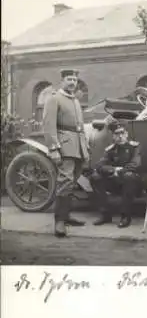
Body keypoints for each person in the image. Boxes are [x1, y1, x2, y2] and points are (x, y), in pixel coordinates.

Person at [43, 68, 89, 237]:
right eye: (69, 79)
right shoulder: (54, 98)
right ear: (62, 81)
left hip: (78, 146)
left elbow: (80, 127)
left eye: (75, 80)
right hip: (64, 145)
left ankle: (66, 216)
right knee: (65, 181)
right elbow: (48, 125)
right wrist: (54, 148)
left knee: (72, 181)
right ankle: (59, 222)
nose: (72, 82)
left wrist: (85, 147)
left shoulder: (75, 100)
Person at [89, 121, 143, 228]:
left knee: (129, 176)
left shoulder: (135, 147)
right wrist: (113, 170)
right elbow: (99, 165)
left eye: (122, 133)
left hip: (134, 184)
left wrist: (119, 171)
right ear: (113, 136)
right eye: (117, 134)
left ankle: (125, 216)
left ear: (127, 134)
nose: (120, 136)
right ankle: (105, 215)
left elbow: (135, 164)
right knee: (95, 177)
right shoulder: (111, 149)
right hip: (116, 182)